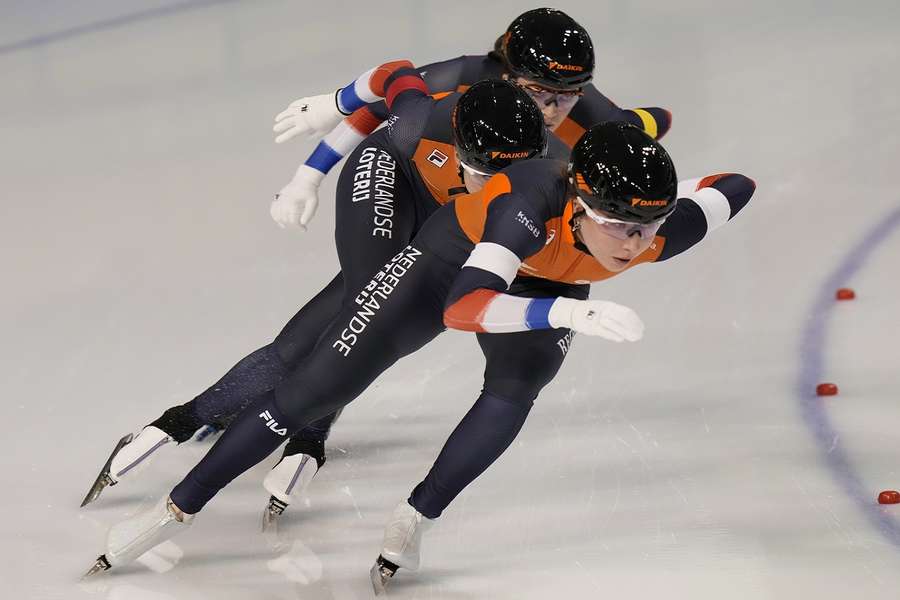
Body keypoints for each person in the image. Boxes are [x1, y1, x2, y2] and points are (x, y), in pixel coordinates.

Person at [86, 121, 755, 593]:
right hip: (450, 265)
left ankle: (416, 515)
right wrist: (570, 310)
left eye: (650, 229)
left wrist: (657, 187)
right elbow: (464, 309)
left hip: (546, 279)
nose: (636, 246)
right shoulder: (528, 204)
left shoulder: (659, 232)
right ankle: (175, 508)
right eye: (622, 228)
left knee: (517, 387)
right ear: (578, 203)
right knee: (311, 394)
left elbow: (737, 183)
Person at [82, 7, 672, 520]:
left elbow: (645, 129)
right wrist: (310, 167)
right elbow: (392, 86)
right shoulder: (466, 80)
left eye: (567, 96)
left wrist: (642, 131)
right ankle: (190, 421)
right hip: (396, 179)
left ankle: (296, 426)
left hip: (458, 215)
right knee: (360, 316)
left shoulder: (580, 113)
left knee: (366, 328)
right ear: (505, 73)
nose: (552, 109)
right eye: (540, 92)